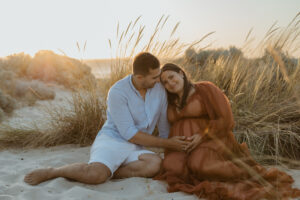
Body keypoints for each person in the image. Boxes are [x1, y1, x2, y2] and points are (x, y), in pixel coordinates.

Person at [24, 52, 190, 186]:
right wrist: (168, 144)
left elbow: (163, 126)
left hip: (137, 145)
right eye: (154, 77)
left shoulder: (159, 89)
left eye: (158, 75)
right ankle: (53, 171)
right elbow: (128, 133)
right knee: (95, 175)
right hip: (114, 139)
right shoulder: (117, 92)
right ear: (140, 78)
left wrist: (173, 147)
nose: (159, 80)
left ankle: (110, 170)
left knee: (155, 165)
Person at [155, 63, 300, 200]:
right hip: (184, 147)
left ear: (181, 73)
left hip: (210, 140)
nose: (170, 83)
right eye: (165, 82)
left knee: (200, 164)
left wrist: (201, 136)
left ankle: (246, 172)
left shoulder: (205, 89)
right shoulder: (168, 100)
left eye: (171, 77)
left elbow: (226, 119)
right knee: (172, 167)